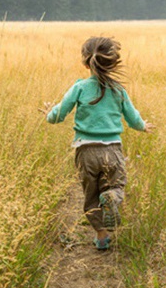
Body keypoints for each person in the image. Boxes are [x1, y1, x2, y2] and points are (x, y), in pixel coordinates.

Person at [42, 36, 154, 250]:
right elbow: (132, 118)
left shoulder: (79, 88)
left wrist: (49, 114)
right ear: (112, 63)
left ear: (85, 63)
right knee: (116, 185)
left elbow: (58, 115)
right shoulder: (118, 90)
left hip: (85, 151)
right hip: (112, 149)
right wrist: (143, 126)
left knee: (91, 195)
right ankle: (112, 196)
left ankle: (101, 236)